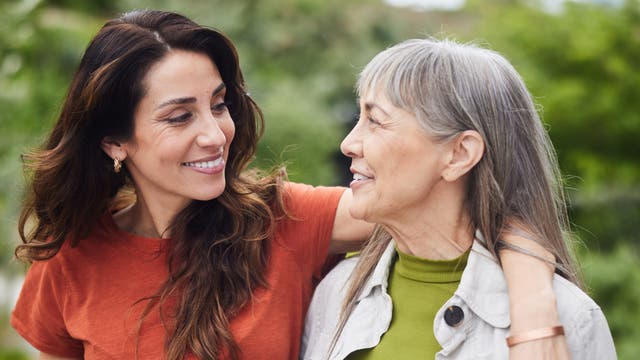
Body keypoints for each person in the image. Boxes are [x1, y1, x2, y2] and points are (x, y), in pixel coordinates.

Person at [10, 10, 571, 360]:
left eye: (219, 104)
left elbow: (469, 200)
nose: (215, 135)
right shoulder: (69, 257)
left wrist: (535, 312)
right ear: (114, 141)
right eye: (180, 117)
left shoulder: (285, 220)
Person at [301, 39, 617, 359]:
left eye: (376, 121)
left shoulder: (572, 319)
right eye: (359, 118)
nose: (349, 143)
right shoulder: (335, 293)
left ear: (459, 154)